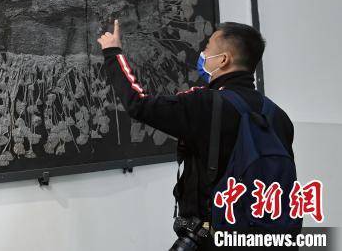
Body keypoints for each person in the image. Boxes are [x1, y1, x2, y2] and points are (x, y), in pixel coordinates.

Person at [97, 20, 297, 250]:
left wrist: (113, 52)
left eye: (207, 48)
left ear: (223, 59)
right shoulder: (277, 116)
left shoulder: (205, 104)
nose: (202, 54)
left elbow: (138, 104)